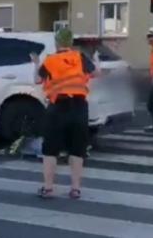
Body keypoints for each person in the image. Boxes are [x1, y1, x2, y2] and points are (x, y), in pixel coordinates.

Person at [31, 28, 95, 199]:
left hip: (58, 107)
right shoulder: (79, 57)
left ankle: (48, 188)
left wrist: (36, 63)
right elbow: (96, 73)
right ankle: (75, 189)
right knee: (77, 148)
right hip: (80, 107)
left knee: (50, 149)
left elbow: (37, 79)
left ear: (57, 42)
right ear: (71, 42)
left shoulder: (50, 60)